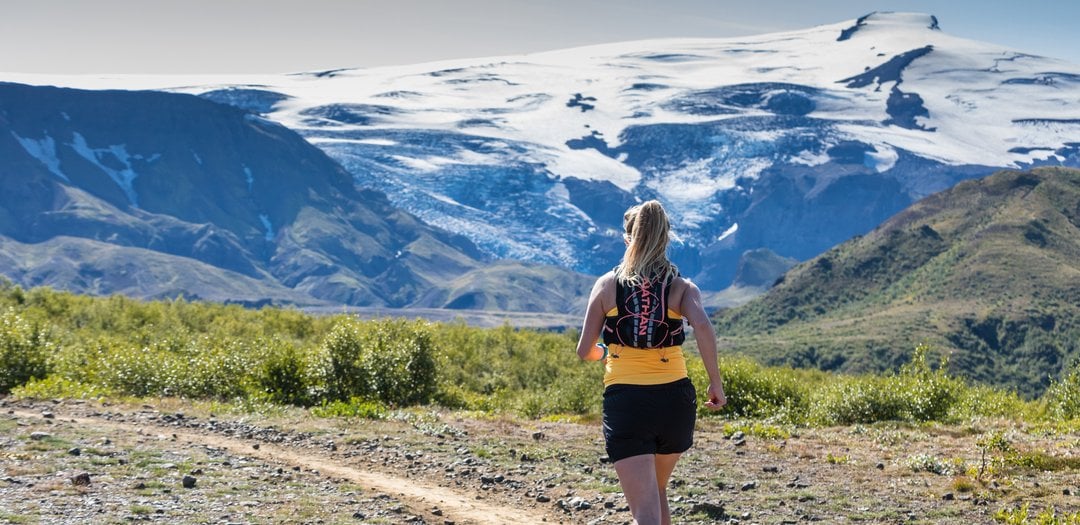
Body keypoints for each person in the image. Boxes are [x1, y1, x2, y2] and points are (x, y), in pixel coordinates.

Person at [576, 200, 726, 525]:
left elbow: (584, 350)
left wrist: (605, 352)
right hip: (676, 401)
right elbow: (702, 325)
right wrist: (716, 382)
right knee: (656, 491)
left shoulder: (607, 286)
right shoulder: (682, 288)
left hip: (627, 400)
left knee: (644, 511)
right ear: (665, 238)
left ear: (629, 238)